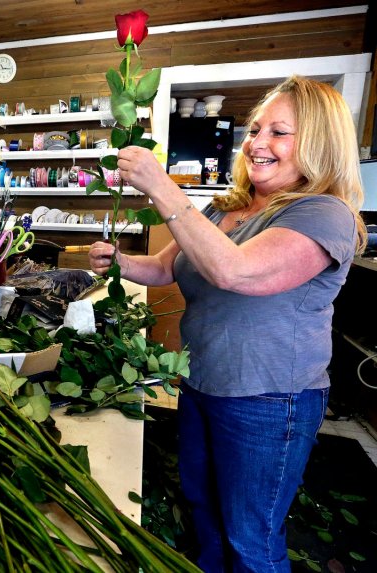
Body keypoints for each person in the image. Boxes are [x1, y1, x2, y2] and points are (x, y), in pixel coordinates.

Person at [89, 76, 366, 572]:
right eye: (256, 129)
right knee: (205, 512)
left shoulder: (324, 214)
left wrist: (161, 188)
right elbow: (164, 268)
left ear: (320, 143)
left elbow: (235, 271)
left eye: (279, 133)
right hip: (201, 384)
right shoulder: (227, 206)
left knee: (250, 538)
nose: (257, 144)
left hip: (269, 399)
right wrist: (119, 264)